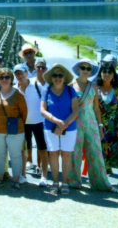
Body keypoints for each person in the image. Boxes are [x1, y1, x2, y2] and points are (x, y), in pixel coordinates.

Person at [69, 58, 118, 193]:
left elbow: (96, 108)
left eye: (88, 68)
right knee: (75, 153)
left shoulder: (94, 86)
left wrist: (100, 125)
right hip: (75, 123)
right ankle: (74, 181)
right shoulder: (70, 85)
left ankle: (100, 182)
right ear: (78, 69)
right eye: (83, 68)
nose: (85, 70)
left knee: (96, 153)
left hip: (91, 123)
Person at [41, 64, 78, 194]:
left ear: (64, 77)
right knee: (53, 153)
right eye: (55, 75)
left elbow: (75, 111)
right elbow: (43, 110)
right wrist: (56, 121)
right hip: (50, 127)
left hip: (69, 127)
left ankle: (65, 182)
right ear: (51, 77)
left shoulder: (70, 90)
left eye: (60, 75)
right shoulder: (47, 90)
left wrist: (64, 125)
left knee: (67, 155)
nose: (57, 78)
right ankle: (55, 182)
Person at [0, 67, 28, 190]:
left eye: (7, 77)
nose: (4, 79)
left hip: (15, 130)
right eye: (1, 77)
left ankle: (16, 180)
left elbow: (24, 113)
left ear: (11, 79)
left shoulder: (18, 94)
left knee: (15, 155)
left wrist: (18, 124)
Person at [97, 63, 118, 190]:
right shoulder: (96, 89)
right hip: (100, 128)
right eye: (104, 72)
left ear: (113, 75)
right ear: (100, 74)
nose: (107, 74)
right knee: (102, 155)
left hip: (116, 128)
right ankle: (104, 182)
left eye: (110, 72)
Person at [15, 61, 49, 186]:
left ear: (26, 73)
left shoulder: (36, 85)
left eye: (22, 73)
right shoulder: (15, 89)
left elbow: (45, 101)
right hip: (24, 124)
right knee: (24, 150)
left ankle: (44, 176)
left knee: (43, 149)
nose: (20, 76)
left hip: (39, 122)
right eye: (17, 74)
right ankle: (23, 175)